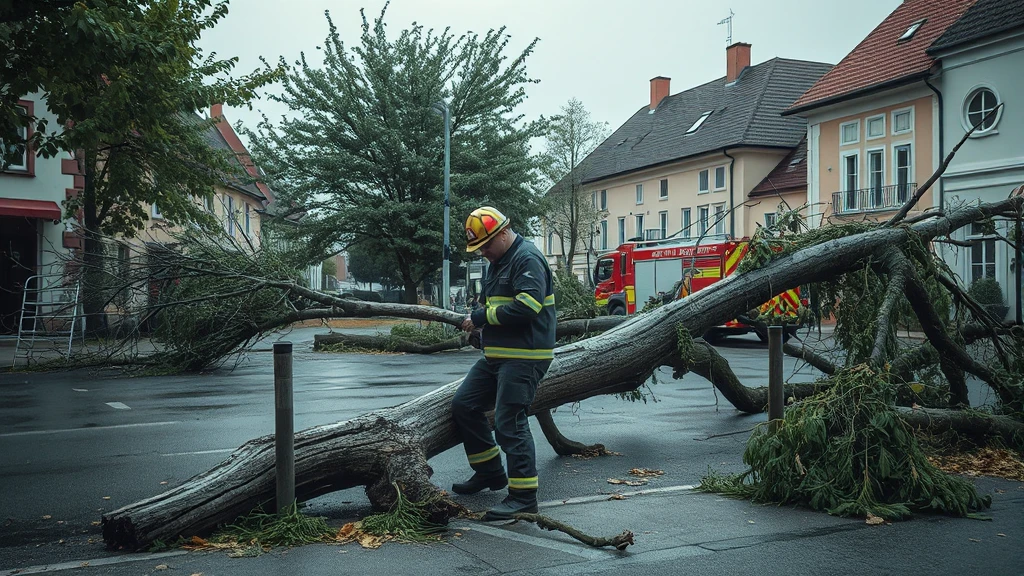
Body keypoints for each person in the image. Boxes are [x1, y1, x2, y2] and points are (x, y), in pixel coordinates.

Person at [451, 206, 556, 520]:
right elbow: (497, 306)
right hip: (498, 354)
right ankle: (490, 472)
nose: (483, 252)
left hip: (525, 355)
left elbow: (527, 308)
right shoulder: (497, 262)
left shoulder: (527, 259)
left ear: (503, 233)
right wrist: (481, 331)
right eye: (479, 248)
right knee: (464, 404)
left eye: (485, 245)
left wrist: (481, 318)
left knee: (510, 422)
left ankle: (523, 497)